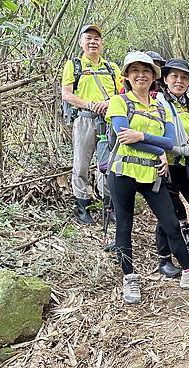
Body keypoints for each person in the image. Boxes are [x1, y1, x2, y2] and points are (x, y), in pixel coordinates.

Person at [105, 51, 189, 304]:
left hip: (152, 173)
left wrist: (142, 137)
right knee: (124, 226)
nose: (141, 75)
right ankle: (130, 278)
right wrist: (154, 145)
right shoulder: (119, 102)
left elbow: (167, 142)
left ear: (153, 77)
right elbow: (123, 136)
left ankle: (188, 273)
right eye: (135, 71)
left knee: (171, 223)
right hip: (123, 172)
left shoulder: (157, 106)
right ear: (128, 76)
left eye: (146, 71)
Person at [154, 58, 189, 276]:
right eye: (174, 76)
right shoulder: (158, 103)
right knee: (167, 214)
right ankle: (164, 259)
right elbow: (156, 136)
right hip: (166, 165)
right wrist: (180, 148)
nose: (179, 81)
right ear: (166, 79)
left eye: (184, 77)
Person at [61, 24, 122, 224]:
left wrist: (108, 103)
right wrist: (89, 104)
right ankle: (82, 207)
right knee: (81, 163)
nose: (93, 42)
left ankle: (109, 206)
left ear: (102, 43)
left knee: (108, 164)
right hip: (84, 119)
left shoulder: (112, 68)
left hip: (108, 120)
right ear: (81, 42)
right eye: (89, 38)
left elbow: (121, 93)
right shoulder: (74, 65)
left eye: (97, 38)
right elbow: (67, 94)